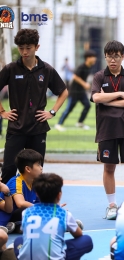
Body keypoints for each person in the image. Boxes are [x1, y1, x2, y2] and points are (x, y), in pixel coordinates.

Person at [0, 29, 68, 184]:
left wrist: (52, 111)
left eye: (28, 48)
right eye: (21, 48)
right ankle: (5, 206)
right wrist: (2, 112)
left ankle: (36, 204)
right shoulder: (11, 69)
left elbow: (63, 92)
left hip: (38, 129)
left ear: (37, 47)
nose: (24, 51)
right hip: (16, 128)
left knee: (36, 171)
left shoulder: (47, 69)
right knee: (9, 169)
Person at [91, 40, 124, 220]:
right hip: (106, 129)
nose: (113, 60)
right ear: (105, 57)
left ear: (122, 56)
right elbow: (96, 97)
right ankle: (112, 205)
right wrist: (120, 94)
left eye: (116, 56)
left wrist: (108, 100)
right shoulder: (99, 76)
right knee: (109, 167)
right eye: (109, 56)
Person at [14, 173, 93, 260]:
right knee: (86, 240)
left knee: (19, 240)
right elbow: (78, 235)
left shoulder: (26, 212)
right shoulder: (64, 214)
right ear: (59, 195)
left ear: (37, 194)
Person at [0, 149, 43, 233]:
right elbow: (20, 203)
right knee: (28, 210)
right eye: (38, 165)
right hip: (10, 215)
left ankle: (16, 226)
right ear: (28, 169)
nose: (41, 168)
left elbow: (40, 202)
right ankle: (14, 225)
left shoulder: (34, 182)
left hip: (13, 213)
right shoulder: (16, 181)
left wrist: (53, 207)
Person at [55, 50, 97, 131]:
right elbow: (75, 77)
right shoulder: (81, 67)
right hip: (74, 92)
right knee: (69, 109)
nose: (95, 59)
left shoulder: (89, 67)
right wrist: (84, 84)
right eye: (93, 57)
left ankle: (80, 122)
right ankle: (59, 124)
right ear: (88, 58)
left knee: (87, 106)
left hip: (81, 92)